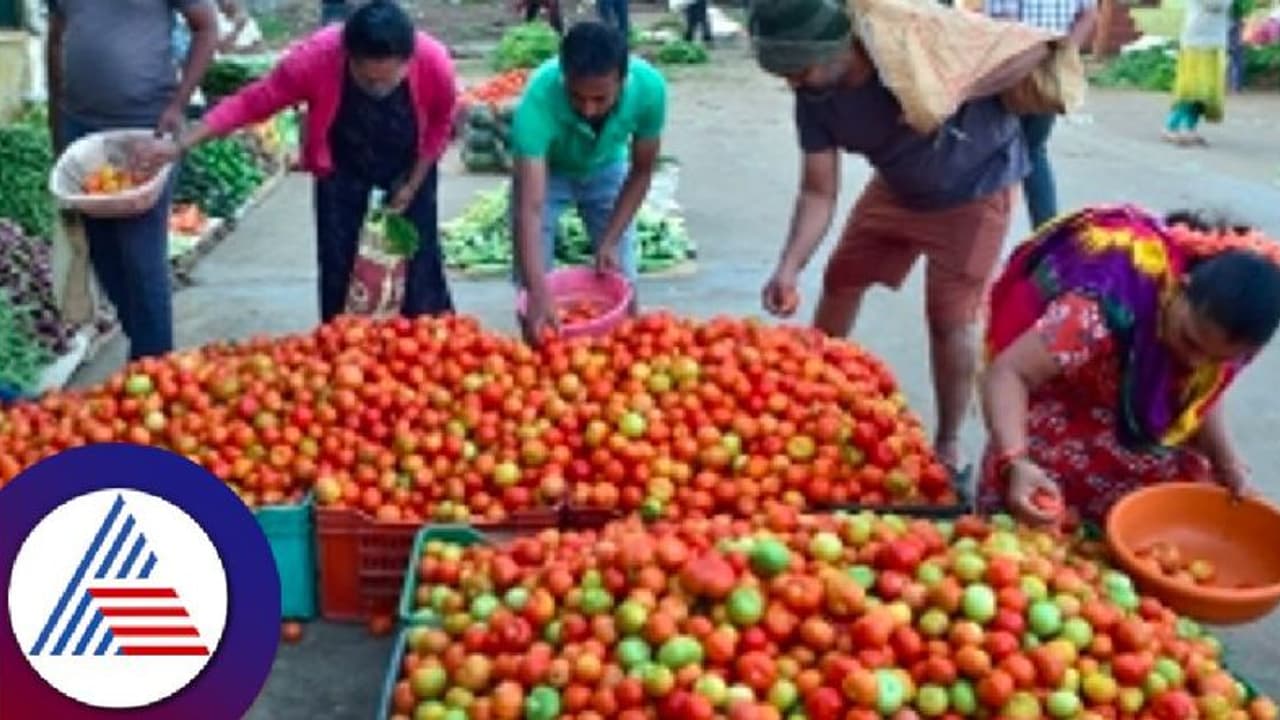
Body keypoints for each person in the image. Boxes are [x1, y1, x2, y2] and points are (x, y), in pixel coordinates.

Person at [749, 0, 1044, 474]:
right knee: (842, 277)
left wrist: (950, 90)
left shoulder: (906, 35)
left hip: (975, 188)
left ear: (835, 49)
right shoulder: (813, 98)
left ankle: (949, 441)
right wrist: (789, 267)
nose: (794, 84)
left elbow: (1029, 49)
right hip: (897, 186)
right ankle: (809, 389)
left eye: (800, 71)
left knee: (950, 319)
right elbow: (818, 191)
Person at [143, 0, 458, 323]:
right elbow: (255, 101)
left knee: (417, 259)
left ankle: (427, 339)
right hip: (342, 165)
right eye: (368, 80)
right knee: (340, 261)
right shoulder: (316, 59)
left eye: (388, 81)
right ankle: (343, 345)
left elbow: (440, 124)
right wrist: (183, 143)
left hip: (409, 163)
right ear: (347, 57)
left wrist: (413, 183)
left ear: (408, 60)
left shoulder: (434, 63)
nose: (378, 88)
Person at [978, 206, 1280, 526]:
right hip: (1061, 413)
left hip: (1137, 429)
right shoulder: (1104, 305)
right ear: (1181, 287)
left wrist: (1228, 464)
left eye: (1215, 359)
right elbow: (1008, 373)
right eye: (1190, 341)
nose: (1196, 362)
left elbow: (1201, 396)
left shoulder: (1231, 338)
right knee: (1031, 531)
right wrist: (1015, 461)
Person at [47, 0, 218, 360]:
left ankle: (154, 368)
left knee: (141, 257)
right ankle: (145, 352)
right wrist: (56, 120)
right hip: (81, 127)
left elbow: (206, 27)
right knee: (104, 254)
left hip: (145, 128)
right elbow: (57, 38)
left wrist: (178, 105)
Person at [511, 21, 667, 340]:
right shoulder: (538, 100)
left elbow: (641, 171)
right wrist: (538, 293)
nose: (588, 109)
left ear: (623, 81)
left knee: (619, 270)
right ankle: (535, 362)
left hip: (607, 164)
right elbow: (530, 209)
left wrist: (609, 239)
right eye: (576, 96)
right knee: (532, 281)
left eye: (600, 98)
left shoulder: (650, 90)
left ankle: (630, 352)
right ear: (563, 77)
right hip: (548, 170)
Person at [985, 0, 1097, 229]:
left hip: (1013, 67)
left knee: (993, 151)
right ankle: (1046, 231)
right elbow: (1089, 14)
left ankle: (986, 234)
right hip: (1052, 72)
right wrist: (1063, 54)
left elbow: (1004, 19)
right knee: (1034, 151)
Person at [1164, 0, 1230, 146]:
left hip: (1216, 40)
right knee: (1191, 89)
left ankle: (1190, 128)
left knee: (1205, 92)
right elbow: (1214, 5)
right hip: (1197, 41)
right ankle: (1171, 126)